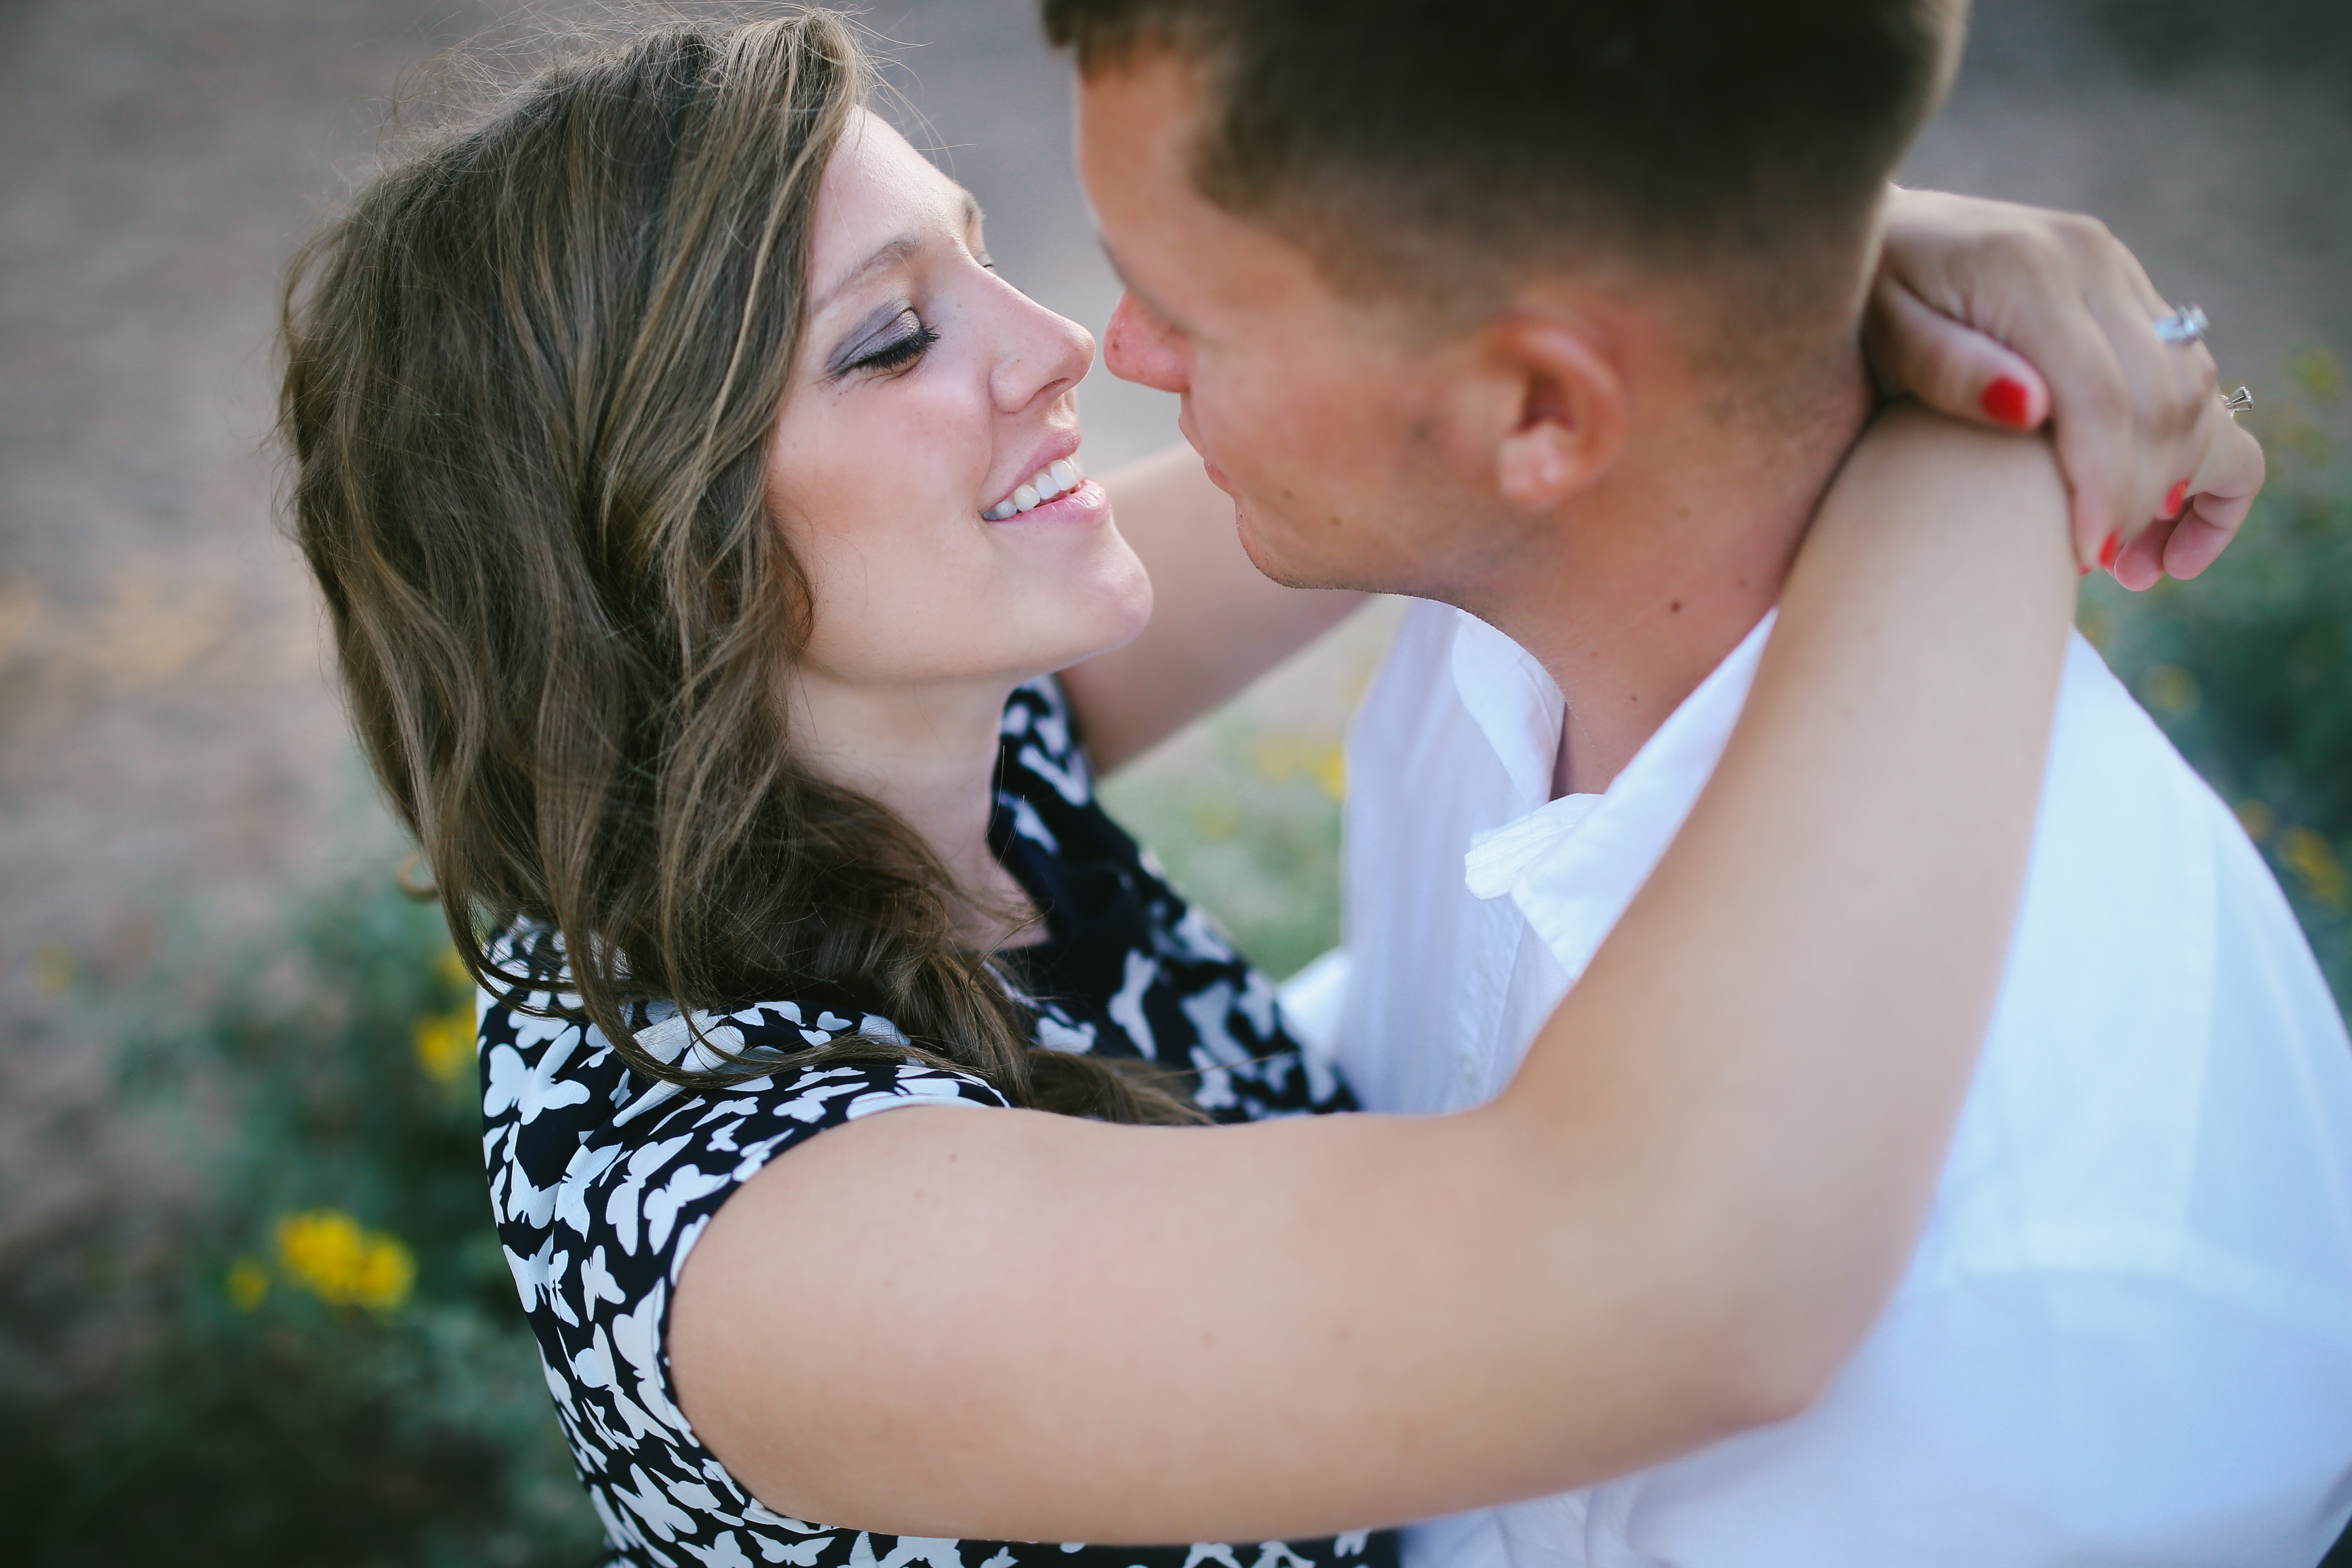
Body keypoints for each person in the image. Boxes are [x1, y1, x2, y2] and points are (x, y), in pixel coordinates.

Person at [279, 13, 2240, 1568]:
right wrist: (1993, 454)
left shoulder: (871, 740)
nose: (1059, 352)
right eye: (894, 336)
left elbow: (1454, 391)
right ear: (655, 553)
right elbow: (1679, 1282)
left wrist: (1832, 245)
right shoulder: (763, 1238)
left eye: (972, 258)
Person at [1045, 0, 2352, 1562]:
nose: (1112, 353)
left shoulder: (2027, 1330)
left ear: (1539, 412)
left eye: (1179, 302)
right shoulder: (1513, 609)